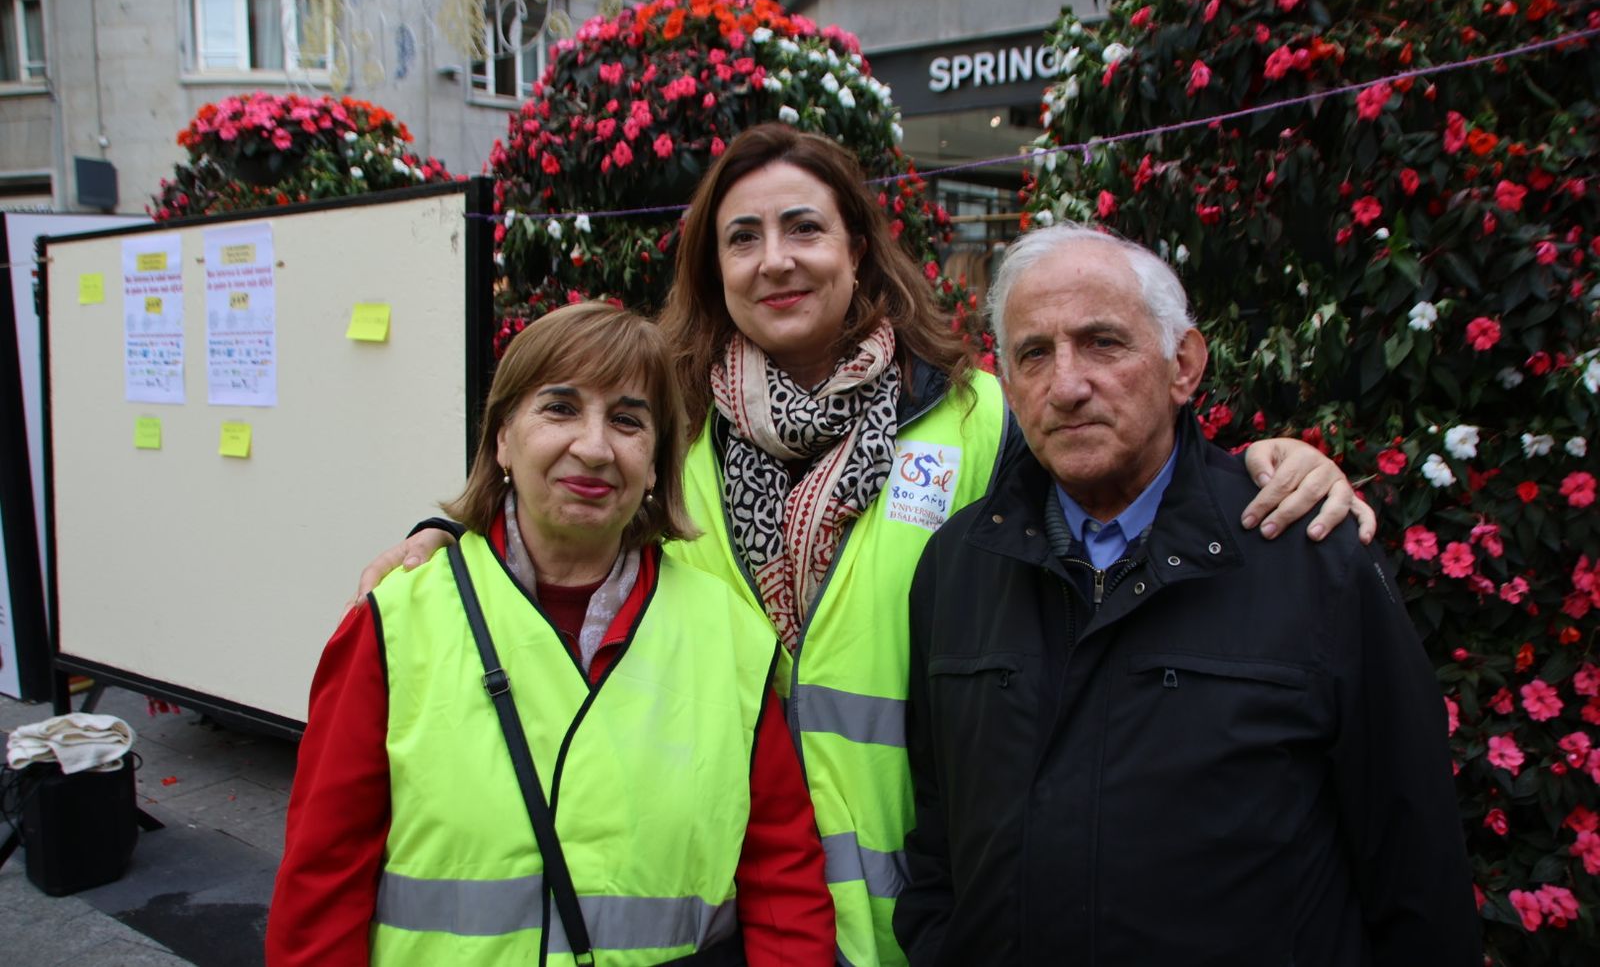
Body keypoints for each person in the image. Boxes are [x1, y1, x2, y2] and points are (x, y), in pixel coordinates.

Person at [359, 124, 1375, 967]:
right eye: (741, 236)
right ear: (713, 269)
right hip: (721, 908)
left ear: (857, 248)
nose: (776, 257)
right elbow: (560, 514)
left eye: (804, 227)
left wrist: (1263, 461)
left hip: (920, 911)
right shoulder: (668, 429)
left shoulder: (978, 415)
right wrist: (447, 525)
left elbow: (1118, 467)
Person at [894, 224, 1479, 965]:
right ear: (1006, 383)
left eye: (1103, 342)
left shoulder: (1306, 554)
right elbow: (941, 840)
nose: (1067, 385)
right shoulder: (957, 565)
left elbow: (1414, 867)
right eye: (1034, 353)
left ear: (1184, 365)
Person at [268, 303, 834, 966]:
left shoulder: (731, 635)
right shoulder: (393, 624)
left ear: (654, 462)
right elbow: (321, 892)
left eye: (627, 419)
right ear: (502, 437)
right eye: (560, 407)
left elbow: (782, 879)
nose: (594, 447)